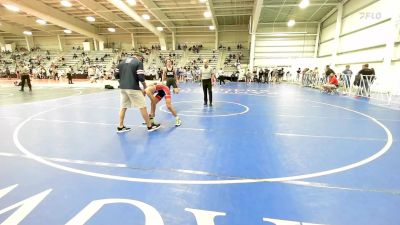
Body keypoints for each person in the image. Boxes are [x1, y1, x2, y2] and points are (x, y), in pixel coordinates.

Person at [115, 51, 160, 133]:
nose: (142, 60)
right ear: (139, 57)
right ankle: (149, 126)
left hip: (122, 88)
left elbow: (116, 75)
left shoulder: (122, 61)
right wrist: (145, 87)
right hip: (133, 88)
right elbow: (141, 77)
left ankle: (120, 126)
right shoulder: (138, 62)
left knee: (123, 107)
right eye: (142, 59)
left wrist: (121, 82)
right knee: (142, 106)